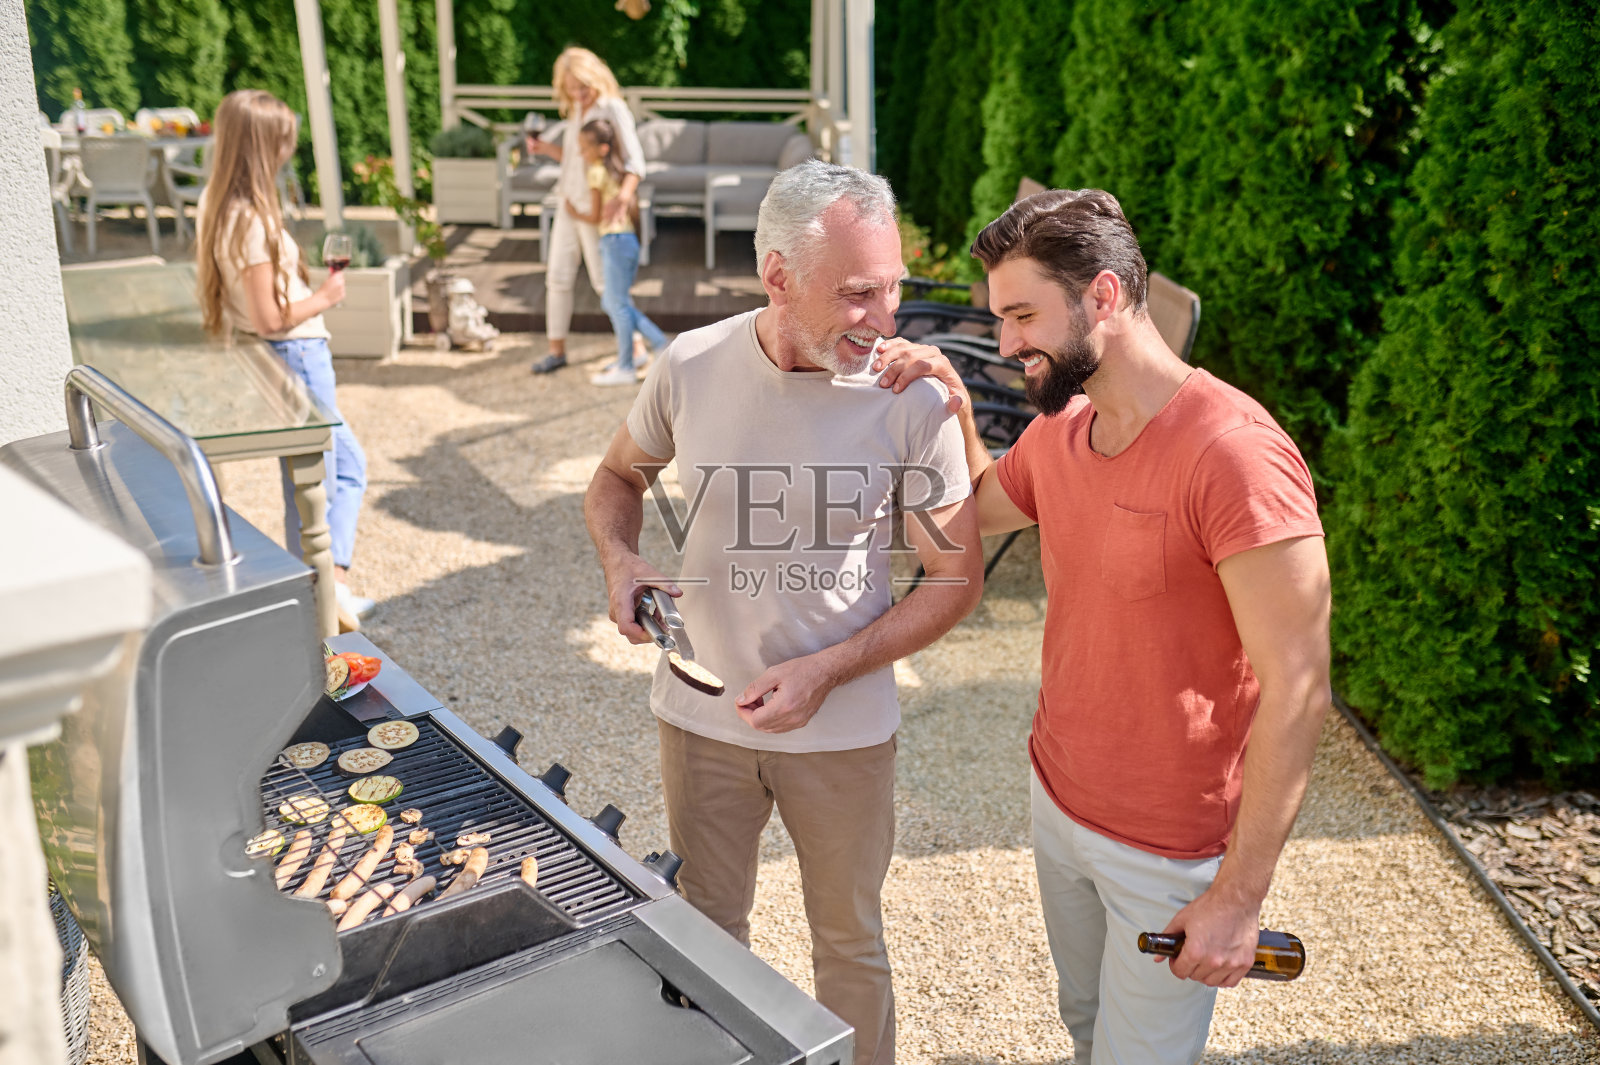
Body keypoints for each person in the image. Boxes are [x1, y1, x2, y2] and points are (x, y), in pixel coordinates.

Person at [874, 189, 1331, 1064]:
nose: (1006, 344)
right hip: (1058, 800)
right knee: (1085, 1029)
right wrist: (948, 400)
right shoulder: (1068, 428)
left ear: (1107, 297)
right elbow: (978, 505)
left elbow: (1301, 688)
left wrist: (1237, 898)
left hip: (1167, 851)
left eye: (1021, 315)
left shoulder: (1235, 456)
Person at [584, 160, 986, 1065]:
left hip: (844, 733)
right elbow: (617, 477)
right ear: (777, 276)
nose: (884, 320)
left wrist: (826, 670)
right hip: (700, 719)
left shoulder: (912, 398)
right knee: (705, 935)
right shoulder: (690, 364)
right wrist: (623, 559)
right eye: (856, 294)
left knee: (848, 948)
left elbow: (955, 576)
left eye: (891, 289)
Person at [195, 89, 374, 628]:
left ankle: (316, 593)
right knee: (346, 469)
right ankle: (331, 590)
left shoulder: (215, 203)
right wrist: (326, 296)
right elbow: (271, 317)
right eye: (282, 142)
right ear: (262, 145)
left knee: (306, 479)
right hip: (294, 351)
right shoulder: (250, 218)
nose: (287, 152)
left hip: (275, 355)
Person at [528, 47, 648, 376]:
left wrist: (622, 198)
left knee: (605, 284)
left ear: (596, 78)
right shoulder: (575, 112)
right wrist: (542, 149)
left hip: (597, 209)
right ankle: (556, 351)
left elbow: (636, 162)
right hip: (568, 204)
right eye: (571, 89)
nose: (579, 94)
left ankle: (636, 349)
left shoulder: (612, 107)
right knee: (557, 278)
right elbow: (572, 158)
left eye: (584, 87)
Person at [567, 118, 669, 386]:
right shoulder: (616, 172)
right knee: (614, 302)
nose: (581, 154)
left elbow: (596, 215)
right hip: (625, 241)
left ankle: (626, 366)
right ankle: (655, 345)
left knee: (618, 305)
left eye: (585, 148)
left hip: (613, 241)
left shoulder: (597, 172)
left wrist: (573, 212)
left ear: (601, 149)